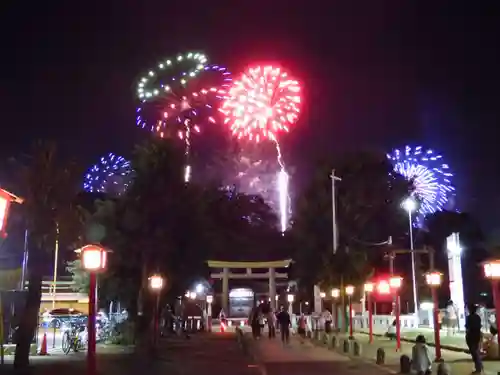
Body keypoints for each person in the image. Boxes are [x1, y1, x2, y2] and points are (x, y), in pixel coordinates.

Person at [465, 304, 483, 374]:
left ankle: (478, 367)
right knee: (476, 351)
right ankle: (478, 366)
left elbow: (467, 328)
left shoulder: (469, 318)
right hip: (477, 336)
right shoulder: (478, 317)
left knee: (474, 353)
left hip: (471, 336)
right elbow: (479, 326)